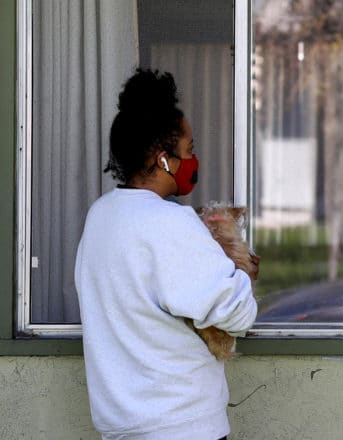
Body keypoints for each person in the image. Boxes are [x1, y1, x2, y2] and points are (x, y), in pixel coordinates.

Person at [74, 69, 258, 439]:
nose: (193, 159)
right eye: (188, 150)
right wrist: (240, 270)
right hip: (181, 425)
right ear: (163, 159)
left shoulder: (100, 217)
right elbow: (237, 313)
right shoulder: (170, 222)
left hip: (121, 426)